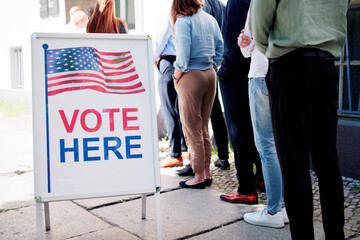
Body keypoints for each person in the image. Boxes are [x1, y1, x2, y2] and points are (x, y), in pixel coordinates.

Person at [249, 0, 349, 239]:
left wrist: (274, 49)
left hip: (290, 65)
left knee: (294, 163)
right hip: (325, 65)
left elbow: (258, 23)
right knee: (327, 160)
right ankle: (335, 235)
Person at [238, 11, 288, 228]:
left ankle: (274, 210)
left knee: (267, 146)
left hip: (261, 73)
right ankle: (285, 207)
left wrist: (243, 42)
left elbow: (249, 48)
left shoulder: (258, 4)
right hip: (287, 73)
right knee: (284, 145)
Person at [171, 0, 223, 189]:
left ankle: (199, 176)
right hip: (210, 74)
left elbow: (182, 57)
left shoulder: (184, 21)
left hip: (191, 76)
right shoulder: (209, 19)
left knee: (192, 129)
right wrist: (213, 65)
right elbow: (220, 48)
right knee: (203, 127)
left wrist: (176, 77)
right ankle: (206, 173)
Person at [217, 0, 264, 204]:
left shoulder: (236, 2)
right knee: (255, 129)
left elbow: (232, 42)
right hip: (254, 69)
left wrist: (224, 70)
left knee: (239, 131)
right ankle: (262, 178)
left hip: (237, 73)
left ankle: (246, 188)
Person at [153, 5, 188, 169]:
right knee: (179, 108)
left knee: (169, 109)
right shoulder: (183, 6)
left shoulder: (168, 6)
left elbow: (161, 38)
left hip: (168, 60)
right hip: (182, 60)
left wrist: (153, 57)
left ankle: (175, 154)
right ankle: (183, 148)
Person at [202, 0, 230, 171]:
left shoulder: (199, 5)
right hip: (217, 63)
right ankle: (223, 156)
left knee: (197, 115)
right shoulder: (221, 6)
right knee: (216, 110)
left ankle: (199, 163)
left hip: (203, 64)